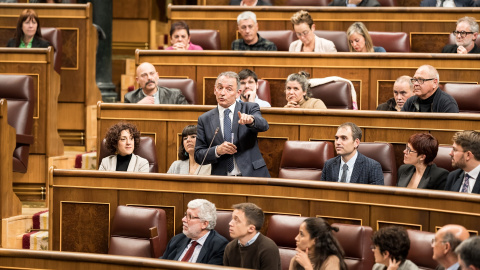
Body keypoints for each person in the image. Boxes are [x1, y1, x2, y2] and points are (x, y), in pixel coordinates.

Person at [194, 71, 270, 177]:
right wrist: (217, 150)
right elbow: (198, 155)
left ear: (238, 93)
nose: (222, 93)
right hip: (222, 179)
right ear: (215, 90)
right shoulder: (204, 119)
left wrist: (251, 120)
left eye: (229, 89)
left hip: (252, 175)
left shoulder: (249, 108)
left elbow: (264, 125)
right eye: (220, 88)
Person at [161, 199, 228, 265]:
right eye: (185, 215)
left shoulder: (219, 246)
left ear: (204, 224)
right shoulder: (177, 239)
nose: (183, 219)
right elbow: (161, 264)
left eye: (190, 216)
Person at [223, 203, 281, 270]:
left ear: (251, 228)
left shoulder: (268, 249)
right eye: (232, 219)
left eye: (236, 220)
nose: (230, 223)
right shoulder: (230, 247)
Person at [124, 62, 189, 104]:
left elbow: (187, 116)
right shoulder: (130, 98)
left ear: (157, 76)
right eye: (144, 75)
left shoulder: (175, 95)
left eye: (152, 74)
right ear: (137, 80)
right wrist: (138, 106)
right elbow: (125, 122)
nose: (149, 78)